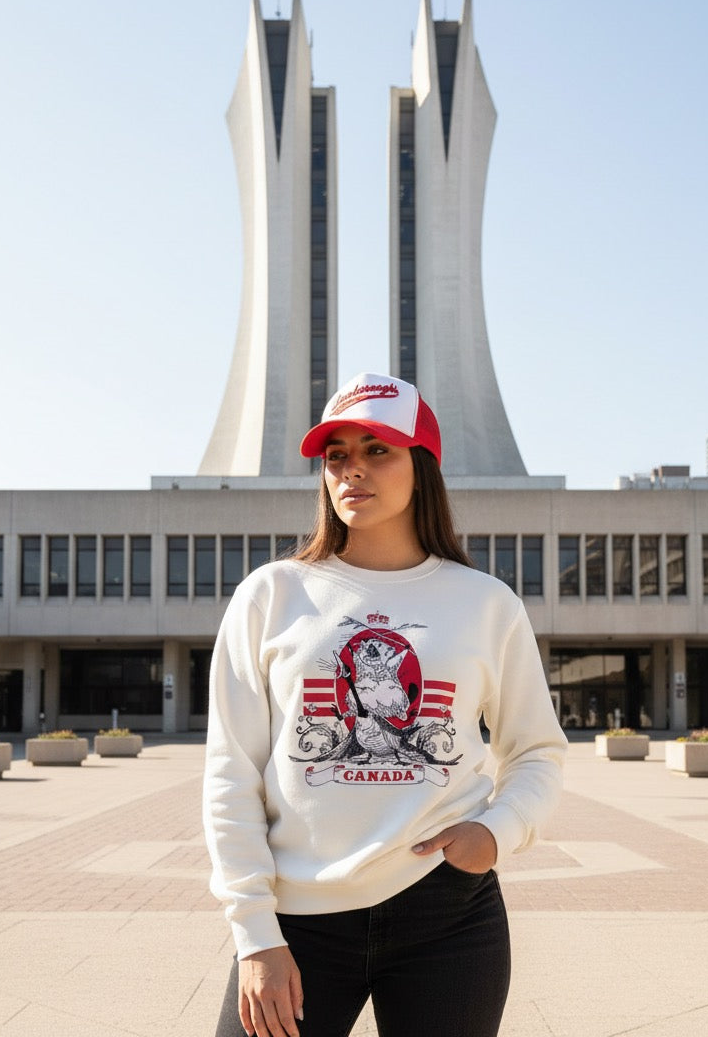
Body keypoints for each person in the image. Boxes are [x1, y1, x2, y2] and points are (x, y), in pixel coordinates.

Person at [204, 372, 567, 1037]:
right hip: (299, 919)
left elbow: (538, 751)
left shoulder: (485, 603)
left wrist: (497, 833)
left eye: (377, 450)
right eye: (336, 455)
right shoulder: (271, 596)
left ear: (421, 466)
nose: (352, 471)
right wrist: (254, 933)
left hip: (447, 917)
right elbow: (231, 773)